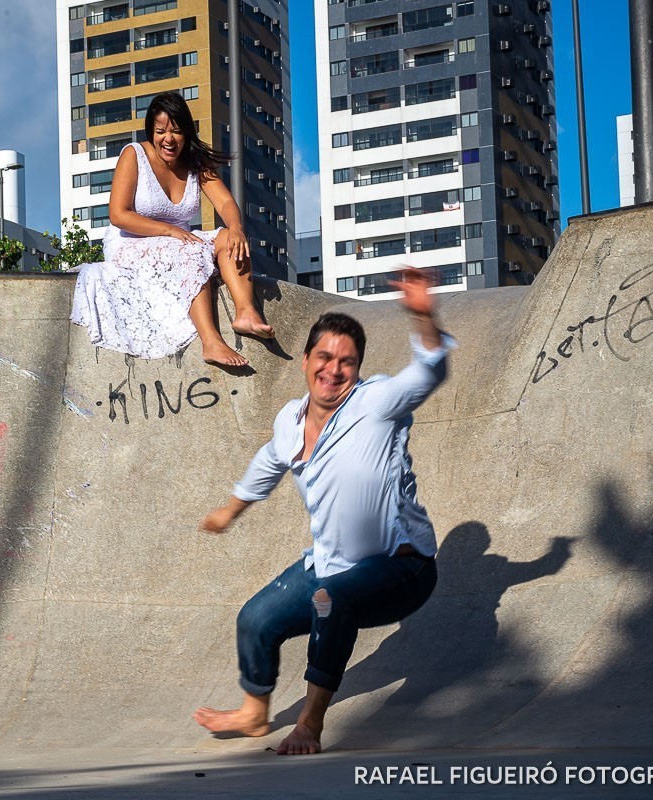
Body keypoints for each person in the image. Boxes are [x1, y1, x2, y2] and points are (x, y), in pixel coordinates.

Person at [194, 268, 453, 755]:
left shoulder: (376, 402)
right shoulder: (290, 421)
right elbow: (268, 463)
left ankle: (309, 724)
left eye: (346, 362)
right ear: (306, 362)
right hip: (332, 564)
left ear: (358, 369)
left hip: (403, 569)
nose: (334, 370)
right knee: (256, 618)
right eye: (325, 357)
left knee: (331, 599)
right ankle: (254, 712)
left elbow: (430, 371)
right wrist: (230, 510)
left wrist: (424, 317)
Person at [71, 92, 273, 367]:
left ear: (186, 132)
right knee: (190, 252)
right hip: (131, 241)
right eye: (161, 131)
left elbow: (225, 202)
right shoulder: (134, 154)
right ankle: (211, 342)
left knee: (228, 238)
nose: (169, 139)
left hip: (180, 238)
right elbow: (118, 215)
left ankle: (246, 312)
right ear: (151, 132)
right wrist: (168, 231)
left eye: (176, 131)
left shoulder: (196, 162)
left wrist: (236, 227)